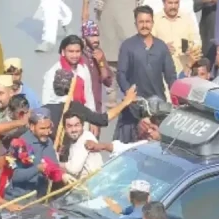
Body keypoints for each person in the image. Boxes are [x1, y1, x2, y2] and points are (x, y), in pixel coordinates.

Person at [115, 6, 176, 143]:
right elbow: (121, 74)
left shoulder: (161, 46)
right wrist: (130, 95)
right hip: (134, 107)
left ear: (152, 23)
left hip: (158, 107)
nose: (144, 25)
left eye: (147, 22)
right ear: (135, 24)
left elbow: (171, 75)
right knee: (130, 148)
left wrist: (176, 97)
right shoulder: (127, 46)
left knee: (158, 146)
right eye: (141, 22)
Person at [5, 108, 57, 200]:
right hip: (19, 198)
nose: (46, 132)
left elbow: (53, 166)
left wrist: (62, 175)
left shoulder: (49, 142)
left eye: (48, 128)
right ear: (32, 127)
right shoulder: (18, 145)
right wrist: (37, 168)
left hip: (40, 197)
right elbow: (15, 176)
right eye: (42, 128)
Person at [42, 35, 96, 111]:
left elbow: (89, 95)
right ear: (63, 52)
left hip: (83, 115)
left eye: (77, 51)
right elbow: (46, 101)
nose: (74, 55)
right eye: (71, 51)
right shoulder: (53, 72)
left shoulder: (83, 69)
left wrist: (92, 115)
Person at [151, 0, 201, 75]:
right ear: (164, 3)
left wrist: (190, 48)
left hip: (184, 71)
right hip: (161, 72)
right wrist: (162, 48)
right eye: (170, 3)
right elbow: (148, 44)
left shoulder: (187, 19)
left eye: (176, 3)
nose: (173, 6)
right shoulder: (155, 20)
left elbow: (197, 41)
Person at [79, 20, 114, 115]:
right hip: (81, 107)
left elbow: (107, 81)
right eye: (91, 36)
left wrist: (101, 62)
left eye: (96, 35)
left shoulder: (99, 53)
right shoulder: (78, 55)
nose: (96, 40)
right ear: (84, 37)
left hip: (96, 107)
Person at [60, 111, 103, 181]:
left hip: (93, 183)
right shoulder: (72, 140)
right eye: (69, 126)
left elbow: (73, 169)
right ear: (64, 128)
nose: (73, 130)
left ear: (82, 125)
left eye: (77, 125)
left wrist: (55, 164)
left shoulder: (86, 140)